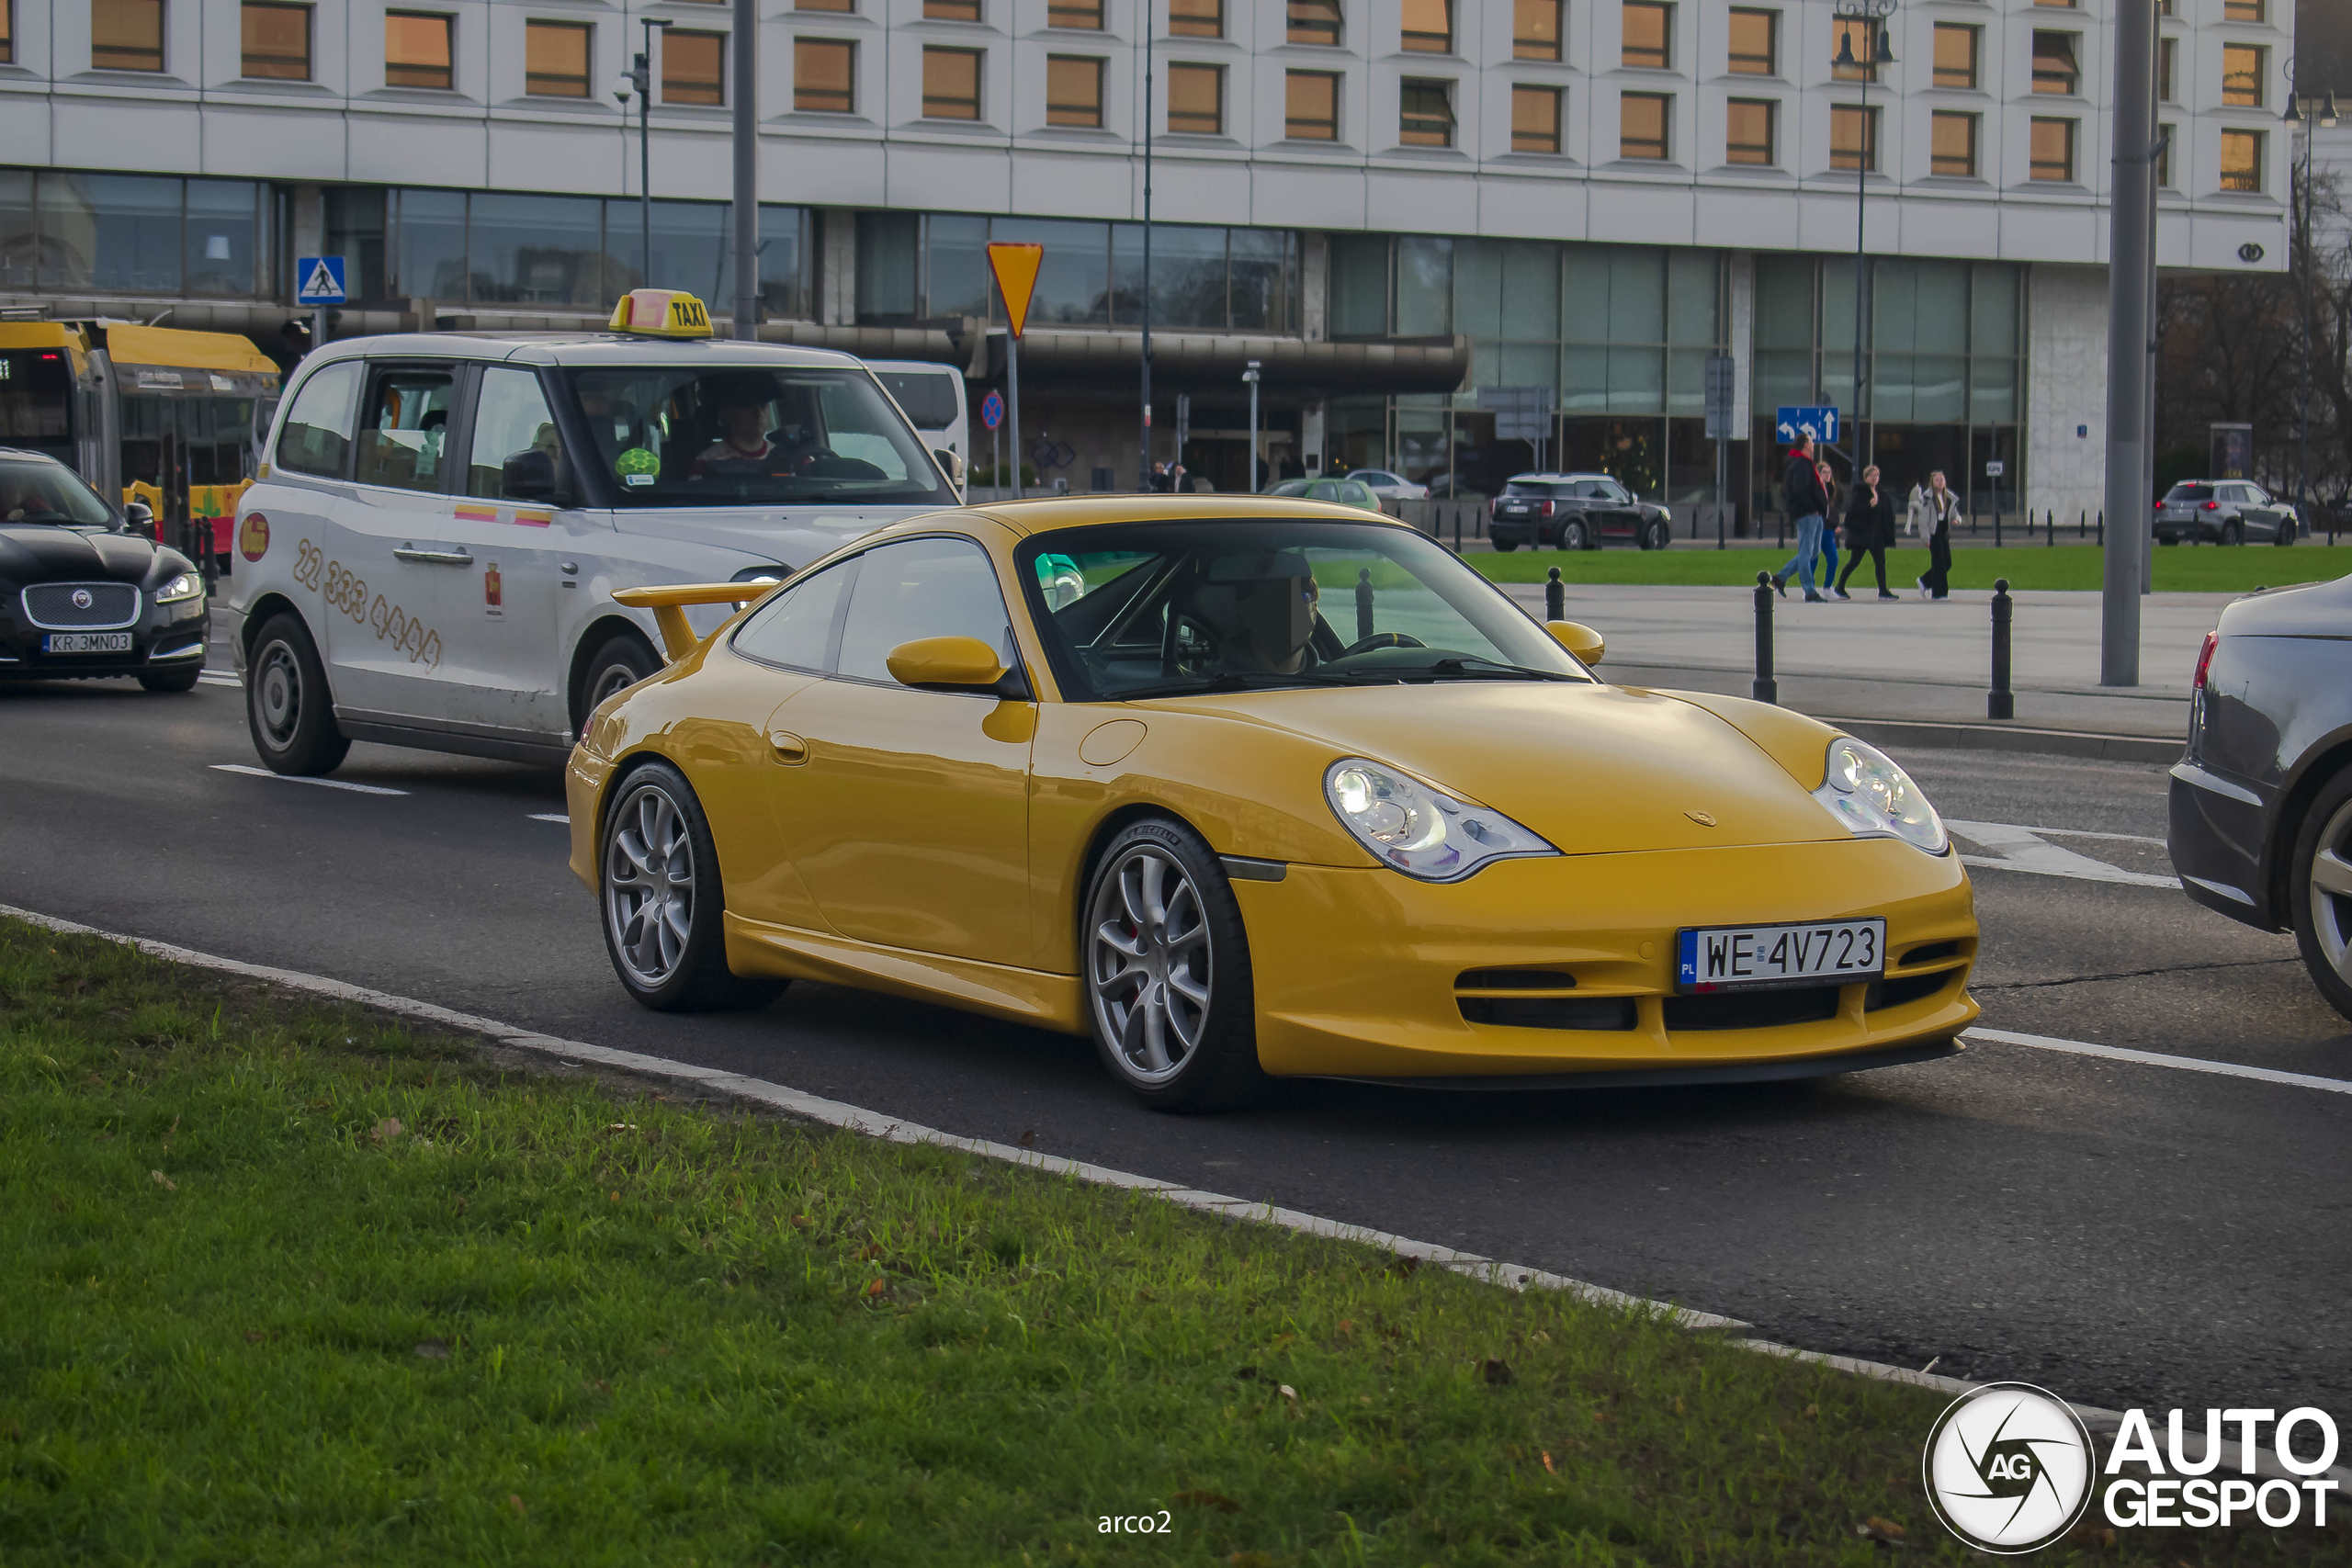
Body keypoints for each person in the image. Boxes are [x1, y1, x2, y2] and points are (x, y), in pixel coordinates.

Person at [1772, 434, 1830, 602]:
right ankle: (1809, 591)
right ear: (1806, 444)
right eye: (1811, 441)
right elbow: (1800, 489)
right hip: (1807, 514)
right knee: (1806, 552)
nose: (1813, 444)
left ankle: (1780, 578)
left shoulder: (1803, 463)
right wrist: (1811, 509)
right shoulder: (1801, 464)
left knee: (1812, 552)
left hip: (1814, 513)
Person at [1834, 464, 1898, 601]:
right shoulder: (1860, 493)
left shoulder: (1881, 493)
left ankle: (1883, 591)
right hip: (1863, 534)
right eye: (1871, 475)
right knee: (1854, 561)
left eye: (1876, 475)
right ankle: (1839, 587)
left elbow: (1886, 513)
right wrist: (1869, 506)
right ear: (1866, 477)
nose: (1874, 478)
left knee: (1880, 562)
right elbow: (1853, 512)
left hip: (1877, 535)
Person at [1910, 469, 1961, 600]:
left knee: (1947, 563)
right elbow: (1923, 520)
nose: (1939, 482)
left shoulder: (1949, 497)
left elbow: (1953, 513)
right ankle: (1939, 593)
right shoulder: (1928, 498)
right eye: (1937, 480)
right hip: (1933, 533)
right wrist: (1925, 538)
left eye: (1941, 479)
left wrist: (1957, 520)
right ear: (1932, 482)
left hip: (1943, 532)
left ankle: (1924, 581)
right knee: (1938, 563)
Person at [1816, 457, 1841, 590]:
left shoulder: (1830, 489)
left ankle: (1827, 587)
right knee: (1812, 558)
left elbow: (1831, 510)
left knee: (1833, 558)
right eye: (1824, 472)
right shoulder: (1816, 489)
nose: (1827, 475)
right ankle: (1809, 588)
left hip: (1828, 529)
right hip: (1817, 528)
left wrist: (1834, 524)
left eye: (1829, 472)